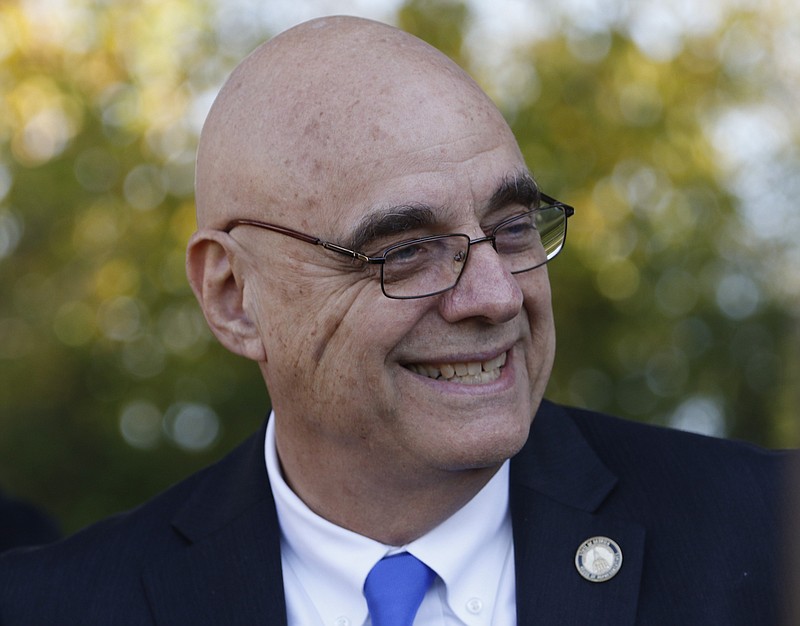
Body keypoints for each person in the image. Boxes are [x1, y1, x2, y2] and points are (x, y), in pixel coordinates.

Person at [0, 15, 794, 626]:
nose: (495, 295)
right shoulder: (54, 605)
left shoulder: (767, 541)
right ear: (234, 298)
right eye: (405, 250)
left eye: (513, 227)